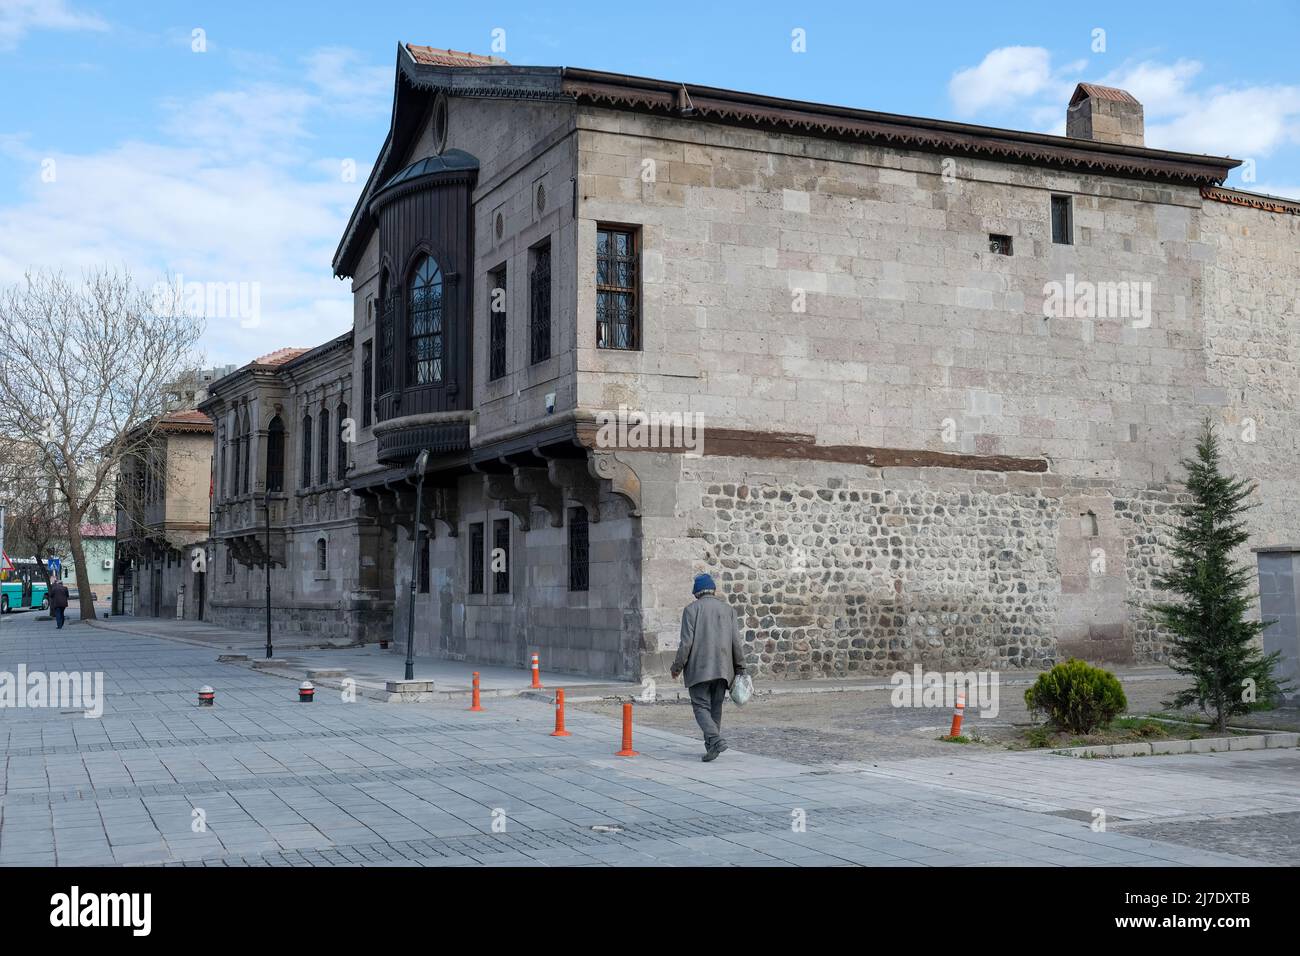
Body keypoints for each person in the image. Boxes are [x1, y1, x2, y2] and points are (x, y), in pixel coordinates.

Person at [670, 573, 746, 761]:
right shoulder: (728, 610)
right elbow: (736, 642)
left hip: (699, 669)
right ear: (713, 590)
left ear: (696, 592)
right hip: (723, 670)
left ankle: (715, 740)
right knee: (715, 708)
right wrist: (740, 668)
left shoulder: (691, 610)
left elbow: (686, 643)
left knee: (700, 707)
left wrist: (677, 667)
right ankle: (712, 746)